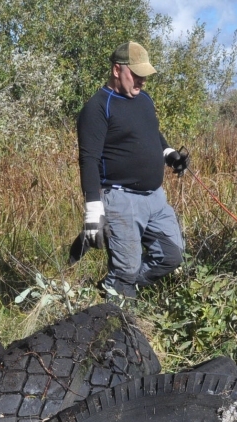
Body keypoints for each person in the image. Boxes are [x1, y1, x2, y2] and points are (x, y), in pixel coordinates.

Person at [73, 41, 189, 299]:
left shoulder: (144, 99)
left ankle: (118, 285)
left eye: (144, 76)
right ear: (117, 70)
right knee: (126, 269)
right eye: (136, 75)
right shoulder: (97, 108)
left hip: (156, 199)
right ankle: (120, 303)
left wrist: (170, 154)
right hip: (120, 200)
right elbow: (88, 160)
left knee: (172, 255)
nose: (141, 82)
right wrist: (93, 211)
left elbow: (151, 134)